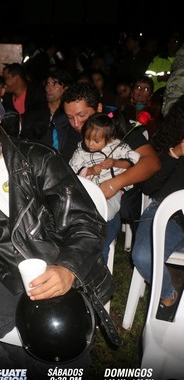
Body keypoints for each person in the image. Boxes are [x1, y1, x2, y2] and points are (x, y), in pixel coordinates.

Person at [0, 83, 120, 380]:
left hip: (55, 263)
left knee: (58, 338)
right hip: (2, 274)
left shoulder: (36, 158)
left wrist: (67, 269)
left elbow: (86, 222)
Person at [63, 81, 160, 260]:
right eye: (70, 117)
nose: (76, 124)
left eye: (82, 115)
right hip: (79, 199)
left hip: (113, 199)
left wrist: (114, 184)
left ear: (99, 108)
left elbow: (152, 162)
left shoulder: (117, 127)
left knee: (96, 234)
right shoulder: (72, 133)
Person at [131, 94, 184, 322]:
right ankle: (168, 296)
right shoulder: (169, 142)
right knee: (143, 256)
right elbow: (148, 186)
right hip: (167, 214)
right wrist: (174, 154)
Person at [69, 112, 140, 222]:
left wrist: (115, 163)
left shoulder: (117, 147)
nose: (90, 144)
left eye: (96, 141)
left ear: (109, 139)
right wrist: (90, 170)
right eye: (87, 138)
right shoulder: (81, 152)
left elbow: (133, 159)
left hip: (113, 190)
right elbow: (72, 171)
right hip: (89, 191)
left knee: (108, 212)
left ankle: (98, 221)